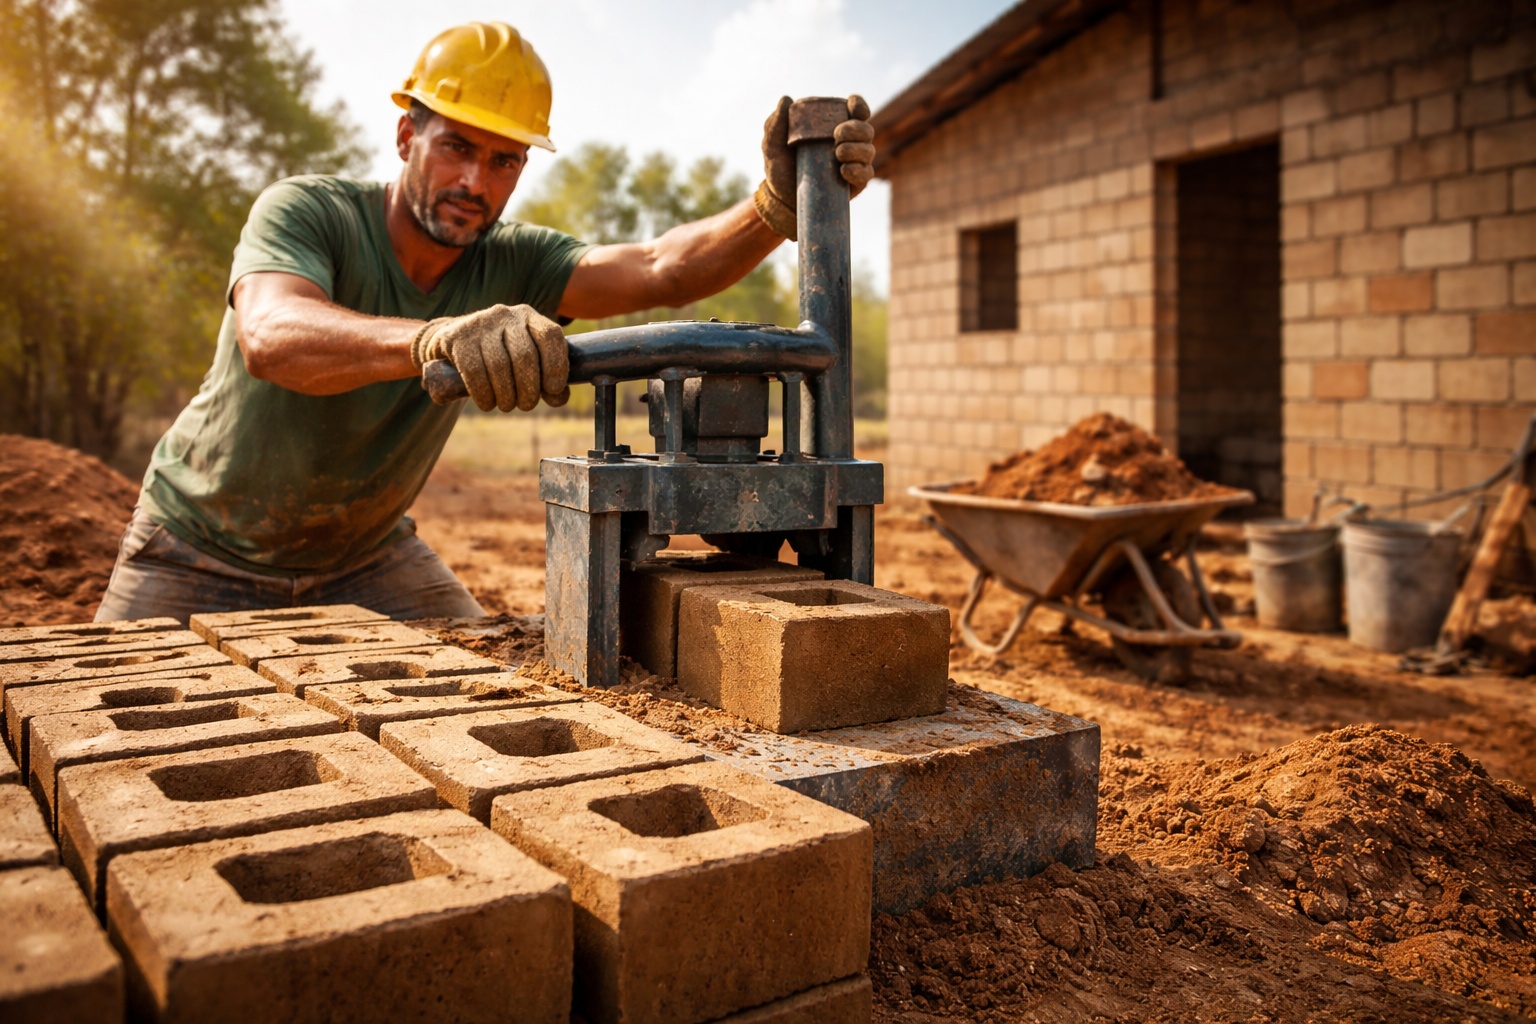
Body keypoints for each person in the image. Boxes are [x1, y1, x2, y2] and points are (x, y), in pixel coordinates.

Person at [95, 21, 876, 624]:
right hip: (194, 550)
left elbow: (663, 267)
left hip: (367, 562)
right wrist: (432, 336)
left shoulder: (515, 263)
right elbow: (273, 337)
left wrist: (773, 208)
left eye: (504, 161)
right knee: (102, 753)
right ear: (407, 136)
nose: (476, 180)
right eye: (457, 147)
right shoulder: (310, 212)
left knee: (499, 701)